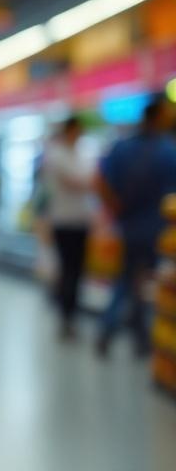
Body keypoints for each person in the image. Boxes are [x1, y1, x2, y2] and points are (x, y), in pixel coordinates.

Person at [97, 95, 176, 357]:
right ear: (158, 118)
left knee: (126, 279)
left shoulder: (121, 148)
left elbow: (99, 181)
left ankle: (110, 329)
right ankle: (147, 338)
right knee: (156, 283)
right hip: (161, 230)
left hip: (128, 226)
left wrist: (115, 208)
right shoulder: (169, 151)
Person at [42, 116, 94, 341]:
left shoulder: (81, 155)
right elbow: (75, 182)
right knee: (68, 271)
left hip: (81, 221)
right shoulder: (57, 155)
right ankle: (65, 316)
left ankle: (70, 316)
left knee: (77, 271)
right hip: (62, 221)